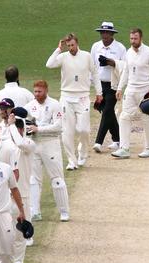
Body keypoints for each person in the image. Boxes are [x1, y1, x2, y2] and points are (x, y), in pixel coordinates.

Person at [46, 33, 103, 170]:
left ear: (77, 43)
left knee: (84, 130)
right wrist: (58, 49)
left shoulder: (86, 56)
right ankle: (72, 161)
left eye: (72, 45)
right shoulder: (63, 57)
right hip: (66, 97)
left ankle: (82, 154)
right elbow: (49, 64)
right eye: (68, 45)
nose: (71, 48)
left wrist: (99, 93)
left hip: (83, 97)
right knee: (67, 131)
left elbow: (95, 74)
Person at [24, 80, 70, 222]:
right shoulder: (29, 106)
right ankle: (35, 211)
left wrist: (39, 129)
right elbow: (24, 124)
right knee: (33, 180)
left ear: (46, 90)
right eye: (35, 91)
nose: (37, 94)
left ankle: (64, 212)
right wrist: (28, 129)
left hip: (50, 143)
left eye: (40, 91)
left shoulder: (55, 105)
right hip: (34, 144)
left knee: (57, 180)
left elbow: (58, 126)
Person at [113, 28, 149, 159]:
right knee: (124, 117)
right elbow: (126, 72)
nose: (133, 41)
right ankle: (124, 149)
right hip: (130, 90)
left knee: (146, 118)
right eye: (131, 38)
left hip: (145, 91)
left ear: (141, 38)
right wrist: (119, 88)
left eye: (135, 38)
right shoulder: (128, 53)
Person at [6, 108, 36, 263]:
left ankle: (18, 261)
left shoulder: (29, 144)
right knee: (3, 231)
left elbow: (19, 142)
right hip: (4, 195)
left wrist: (11, 126)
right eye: (14, 126)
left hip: (22, 194)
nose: (15, 129)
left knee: (19, 231)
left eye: (18, 126)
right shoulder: (6, 146)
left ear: (22, 128)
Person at [90, 21, 127, 153]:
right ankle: (118, 139)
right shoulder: (95, 46)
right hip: (100, 84)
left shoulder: (120, 48)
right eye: (102, 32)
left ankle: (98, 142)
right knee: (108, 112)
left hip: (114, 84)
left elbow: (124, 67)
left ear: (112, 34)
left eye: (107, 32)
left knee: (107, 111)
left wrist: (110, 63)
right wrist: (93, 84)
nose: (104, 35)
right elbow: (92, 66)